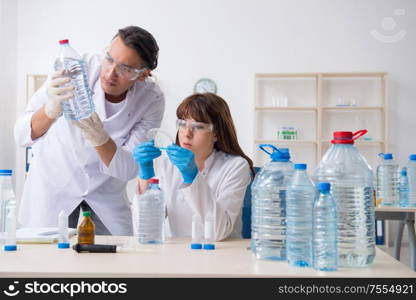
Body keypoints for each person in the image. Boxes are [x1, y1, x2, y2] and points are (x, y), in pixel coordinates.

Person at [14, 26, 165, 235]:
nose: (111, 73)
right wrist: (50, 109)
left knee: (116, 261)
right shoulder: (75, 68)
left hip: (105, 197)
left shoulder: (151, 99)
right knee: (46, 261)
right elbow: (21, 134)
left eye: (126, 69)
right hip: (53, 188)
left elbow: (129, 168)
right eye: (110, 59)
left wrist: (98, 136)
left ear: (143, 74)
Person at [133, 93, 253, 240]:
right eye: (182, 124)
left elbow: (218, 232)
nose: (187, 134)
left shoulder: (236, 166)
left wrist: (192, 177)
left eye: (199, 127)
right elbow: (145, 231)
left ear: (216, 133)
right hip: (179, 254)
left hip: (221, 254)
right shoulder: (168, 165)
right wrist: (145, 177)